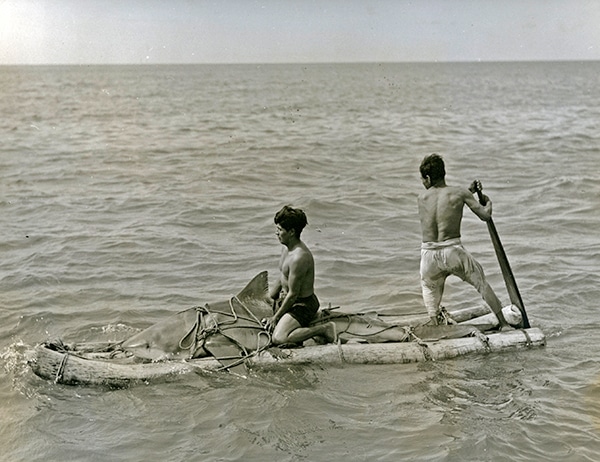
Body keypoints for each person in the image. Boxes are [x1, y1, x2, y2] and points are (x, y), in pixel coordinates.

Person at [417, 153, 511, 329]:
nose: (423, 182)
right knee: (481, 283)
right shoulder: (460, 193)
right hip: (452, 252)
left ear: (428, 178)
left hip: (428, 256)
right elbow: (484, 215)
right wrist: (487, 201)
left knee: (430, 290)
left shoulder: (421, 198)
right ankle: (504, 324)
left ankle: (435, 325)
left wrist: (468, 192)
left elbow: (441, 202)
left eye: (423, 179)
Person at [264, 205, 337, 345]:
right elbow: (282, 277)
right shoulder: (286, 248)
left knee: (279, 338)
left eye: (280, 230)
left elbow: (293, 294)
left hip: (303, 305)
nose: (276, 233)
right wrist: (269, 298)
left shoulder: (299, 257)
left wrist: (275, 318)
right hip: (288, 300)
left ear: (291, 232)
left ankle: (324, 329)